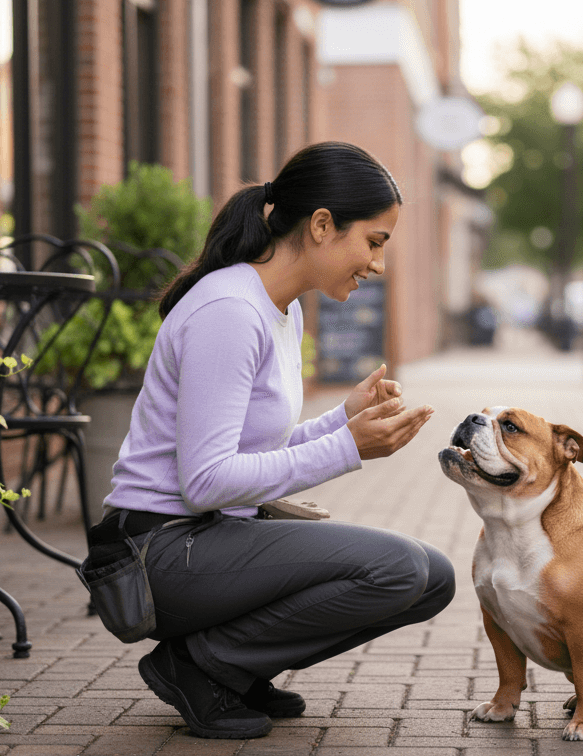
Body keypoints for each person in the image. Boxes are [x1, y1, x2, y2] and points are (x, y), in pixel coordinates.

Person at [88, 142, 453, 740]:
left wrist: (343, 418)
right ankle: (202, 664)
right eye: (375, 241)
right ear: (320, 226)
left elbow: (252, 451)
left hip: (210, 537)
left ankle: (232, 665)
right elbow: (205, 481)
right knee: (398, 568)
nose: (379, 264)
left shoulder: (280, 309)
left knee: (431, 575)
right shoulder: (231, 310)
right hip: (155, 552)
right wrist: (348, 448)